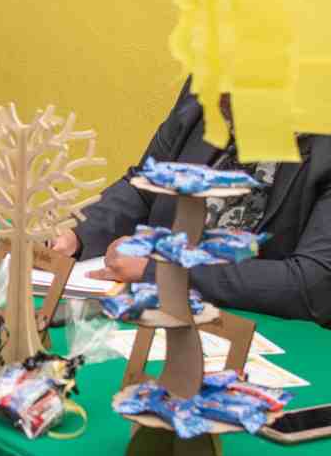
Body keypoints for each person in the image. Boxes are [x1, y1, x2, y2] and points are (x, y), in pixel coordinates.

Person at [50, 81, 331, 327]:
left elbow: (312, 283)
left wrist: (164, 272)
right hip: (157, 315)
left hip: (266, 334)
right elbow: (145, 188)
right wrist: (78, 233)